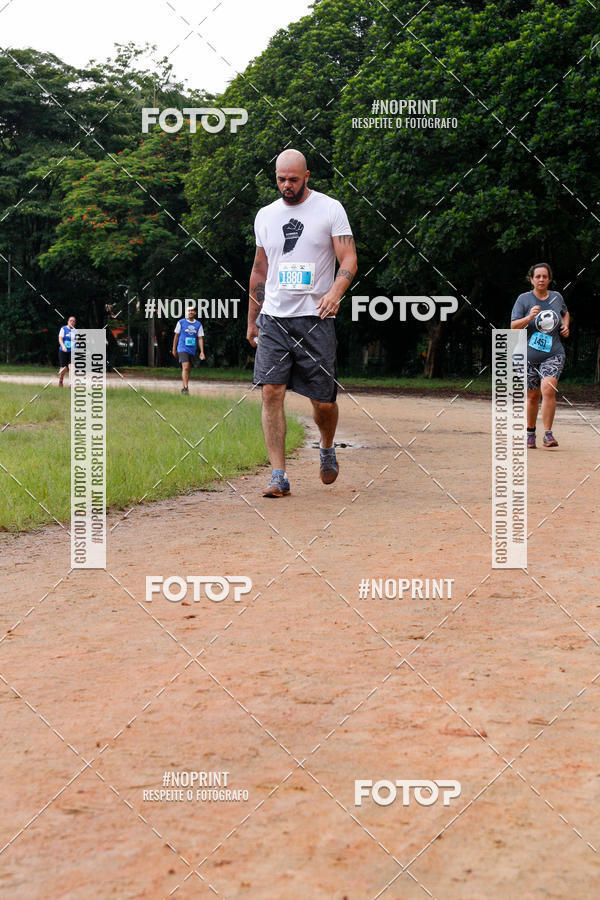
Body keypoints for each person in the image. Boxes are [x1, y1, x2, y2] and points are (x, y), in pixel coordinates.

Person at [247, 148, 358, 497]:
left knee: (323, 400)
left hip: (315, 317)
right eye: (281, 179)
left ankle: (326, 446)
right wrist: (252, 318)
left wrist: (336, 291)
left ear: (307, 176)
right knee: (271, 391)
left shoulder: (329, 209)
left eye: (294, 179)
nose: (287, 185)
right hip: (275, 317)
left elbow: (349, 257)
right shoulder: (265, 215)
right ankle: (278, 475)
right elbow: (260, 269)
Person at [511, 263, 569, 448]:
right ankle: (530, 433)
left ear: (549, 279)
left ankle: (548, 434)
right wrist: (529, 318)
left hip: (553, 353)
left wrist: (566, 326)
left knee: (549, 389)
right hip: (527, 356)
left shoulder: (556, 297)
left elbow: (565, 314)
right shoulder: (523, 299)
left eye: (545, 276)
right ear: (531, 279)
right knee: (532, 397)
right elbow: (513, 326)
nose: (541, 279)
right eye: (538, 276)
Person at [172, 306, 205, 394]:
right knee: (185, 367)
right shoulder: (181, 322)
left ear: (195, 313)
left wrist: (202, 351)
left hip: (192, 349)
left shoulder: (198, 324)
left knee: (188, 369)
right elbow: (176, 336)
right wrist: (174, 349)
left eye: (192, 310)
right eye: (189, 310)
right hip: (182, 347)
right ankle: (186, 388)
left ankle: (184, 387)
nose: (190, 312)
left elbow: (200, 338)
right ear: (186, 312)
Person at [58, 315, 76, 386]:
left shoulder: (75, 331)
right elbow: (60, 339)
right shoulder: (63, 328)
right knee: (64, 368)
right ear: (68, 321)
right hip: (63, 351)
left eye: (73, 321)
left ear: (74, 323)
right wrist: (63, 346)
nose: (72, 322)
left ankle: (70, 383)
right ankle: (61, 379)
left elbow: (75, 341)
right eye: (70, 320)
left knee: (71, 367)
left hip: (71, 351)